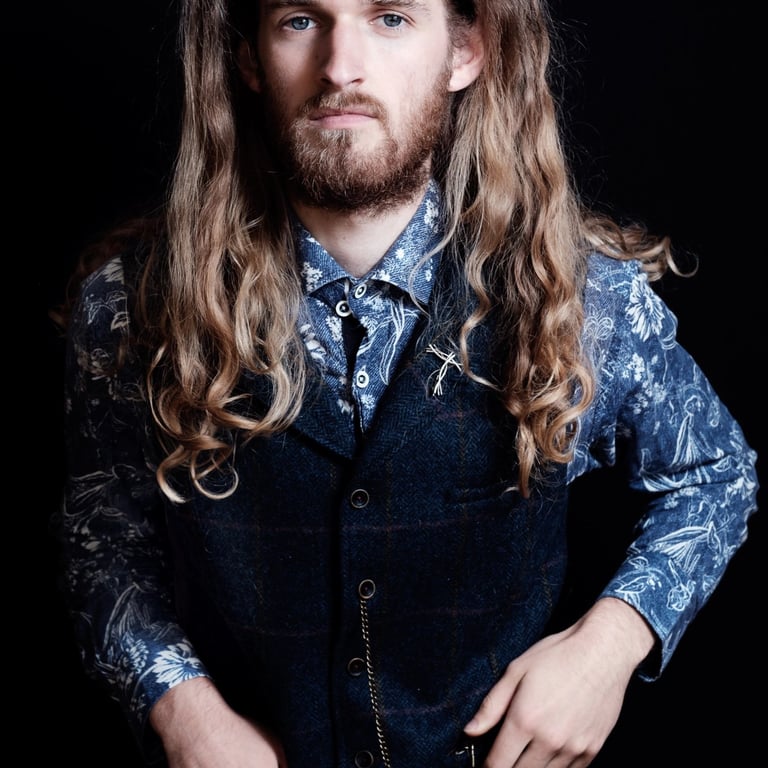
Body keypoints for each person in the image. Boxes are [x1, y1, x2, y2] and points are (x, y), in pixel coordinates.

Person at [53, 0, 759, 766]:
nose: (340, 67)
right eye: (300, 19)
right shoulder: (133, 306)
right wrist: (181, 706)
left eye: (390, 18)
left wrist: (610, 643)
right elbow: (104, 535)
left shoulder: (585, 301)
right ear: (250, 58)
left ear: (464, 52)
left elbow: (716, 473)